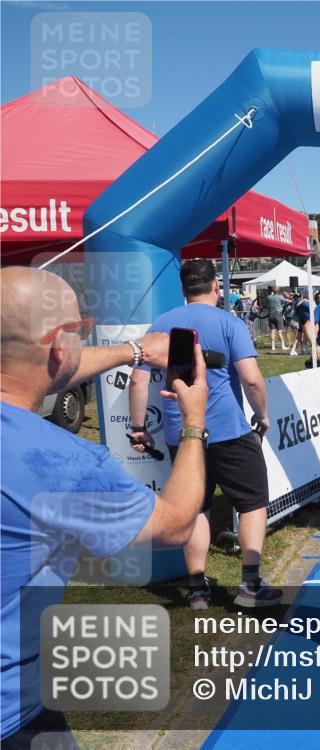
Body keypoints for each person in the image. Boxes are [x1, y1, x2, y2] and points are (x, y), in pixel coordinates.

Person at [1, 267, 208, 744]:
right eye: (80, 328)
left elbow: (33, 366)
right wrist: (193, 422)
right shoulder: (61, 463)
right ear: (59, 344)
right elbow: (174, 525)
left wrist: (135, 351)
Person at [128, 260, 280, 609]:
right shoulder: (229, 322)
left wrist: (138, 428)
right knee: (253, 502)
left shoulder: (161, 325)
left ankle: (197, 589)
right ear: (216, 286)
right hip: (228, 429)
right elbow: (252, 378)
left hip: (179, 432)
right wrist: (262, 413)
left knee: (196, 505)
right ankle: (250, 585)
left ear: (183, 290)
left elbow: (138, 379)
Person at [264, 286, 288, 351]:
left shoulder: (268, 297)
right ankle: (283, 346)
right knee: (280, 331)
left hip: (270, 315)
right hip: (278, 315)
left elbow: (265, 305)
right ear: (278, 291)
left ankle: (273, 346)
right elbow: (289, 301)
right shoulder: (280, 297)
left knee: (272, 331)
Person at [289, 292, 312, 357]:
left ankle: (303, 349)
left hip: (301, 320)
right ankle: (300, 349)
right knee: (305, 335)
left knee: (302, 336)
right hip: (305, 319)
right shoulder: (306, 303)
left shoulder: (297, 302)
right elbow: (313, 308)